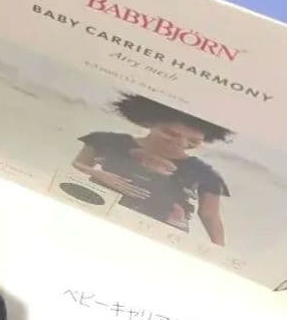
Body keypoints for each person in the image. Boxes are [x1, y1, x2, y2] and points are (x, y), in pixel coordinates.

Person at [71, 95, 231, 245]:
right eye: (170, 133)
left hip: (162, 232)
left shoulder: (204, 172)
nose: (181, 143)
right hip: (97, 214)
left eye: (193, 141)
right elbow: (78, 165)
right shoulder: (107, 141)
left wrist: (219, 254)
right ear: (150, 123)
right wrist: (98, 174)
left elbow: (210, 215)